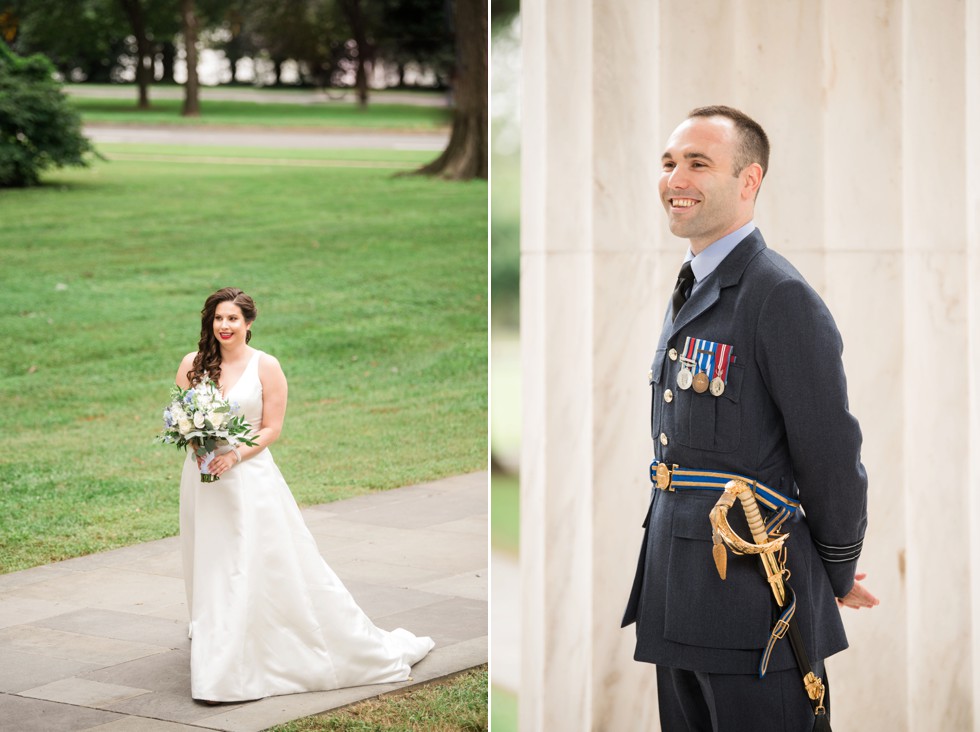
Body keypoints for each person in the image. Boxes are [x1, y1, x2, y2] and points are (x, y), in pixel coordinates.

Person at [621, 107, 879, 731]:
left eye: (698, 163)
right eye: (669, 162)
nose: (676, 176)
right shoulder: (695, 282)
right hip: (678, 589)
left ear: (748, 181)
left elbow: (830, 452)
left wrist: (836, 570)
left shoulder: (777, 294)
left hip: (755, 600)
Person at [175, 287, 434, 703]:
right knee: (211, 558)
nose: (225, 326)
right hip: (203, 481)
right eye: (218, 319)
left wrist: (233, 456)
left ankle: (244, 657)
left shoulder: (266, 366)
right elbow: (185, 420)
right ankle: (217, 632)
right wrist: (200, 450)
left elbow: (271, 428)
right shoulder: (192, 364)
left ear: (249, 323)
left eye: (233, 319)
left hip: (248, 479)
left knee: (253, 559)